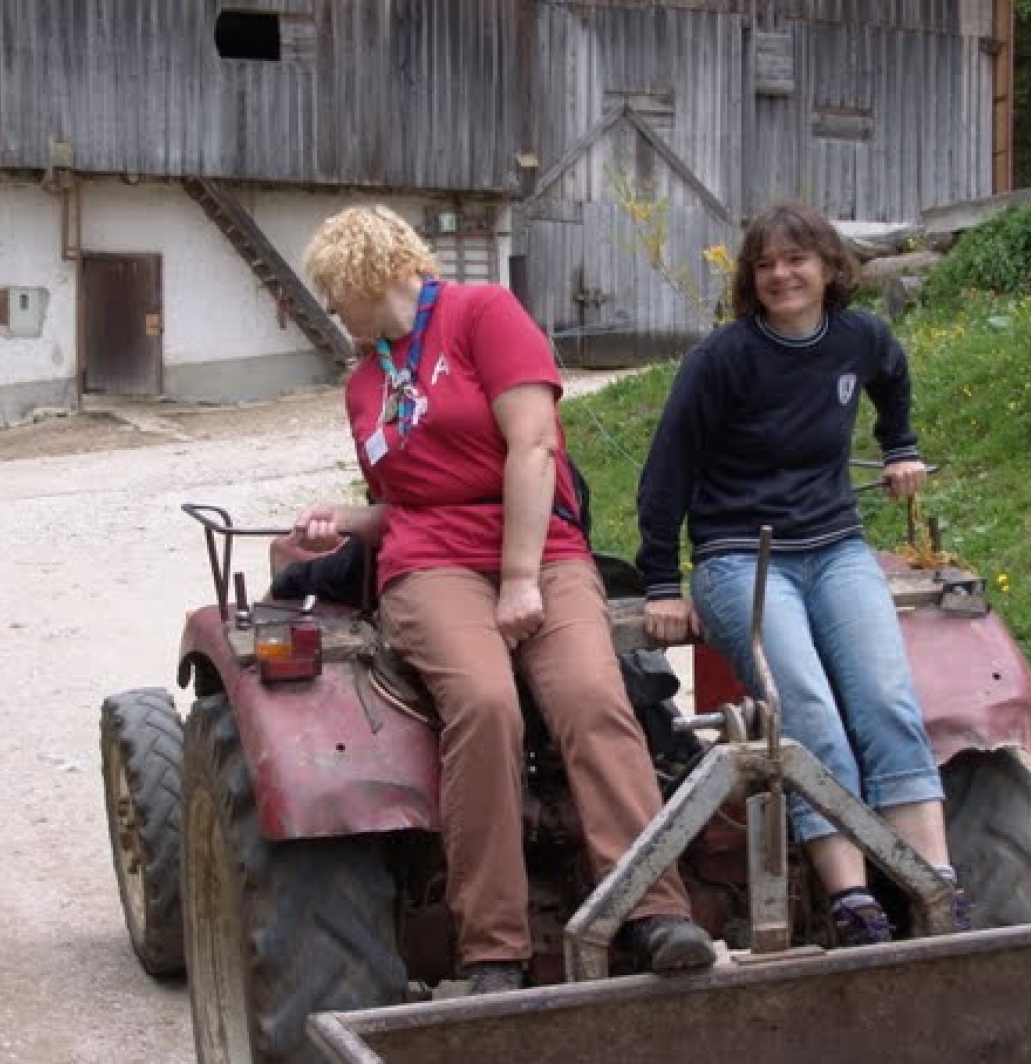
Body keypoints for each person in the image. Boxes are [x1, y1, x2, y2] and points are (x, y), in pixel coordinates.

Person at [294, 203, 714, 994]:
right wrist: (340, 520)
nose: (333, 313)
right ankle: (493, 948)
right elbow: (407, 507)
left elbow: (533, 443)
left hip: (541, 549)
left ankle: (653, 910)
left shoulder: (481, 314)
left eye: (333, 295)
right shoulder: (364, 384)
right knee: (485, 704)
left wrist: (521, 576)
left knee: (593, 696)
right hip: (430, 566)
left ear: (364, 275)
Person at [636, 201, 965, 945]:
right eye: (766, 264)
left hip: (837, 548)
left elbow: (892, 376)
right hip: (740, 561)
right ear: (752, 280)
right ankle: (853, 900)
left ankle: (937, 886)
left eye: (797, 259)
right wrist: (661, 580)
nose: (782, 274)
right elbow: (665, 476)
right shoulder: (722, 361)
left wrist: (902, 442)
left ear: (828, 268)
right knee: (809, 714)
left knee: (887, 700)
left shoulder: (859, 338)